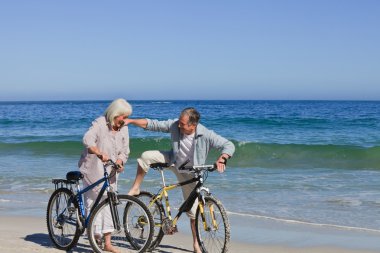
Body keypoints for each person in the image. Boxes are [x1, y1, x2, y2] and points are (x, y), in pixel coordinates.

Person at [124, 107, 235, 253]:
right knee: (145, 156)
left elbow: (228, 145)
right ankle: (136, 187)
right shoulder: (175, 125)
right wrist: (131, 121)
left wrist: (223, 158)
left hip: (191, 172)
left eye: (182, 124)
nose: (178, 125)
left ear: (193, 125)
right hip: (173, 161)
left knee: (193, 211)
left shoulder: (206, 134)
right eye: (179, 122)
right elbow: (152, 124)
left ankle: (196, 244)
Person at [78, 98, 132, 253]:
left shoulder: (124, 128)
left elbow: (125, 150)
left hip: (111, 171)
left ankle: (107, 243)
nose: (125, 120)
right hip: (93, 168)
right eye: (123, 116)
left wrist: (121, 161)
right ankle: (95, 237)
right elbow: (87, 139)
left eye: (127, 117)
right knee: (93, 201)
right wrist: (99, 153)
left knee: (109, 203)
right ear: (115, 113)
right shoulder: (100, 123)